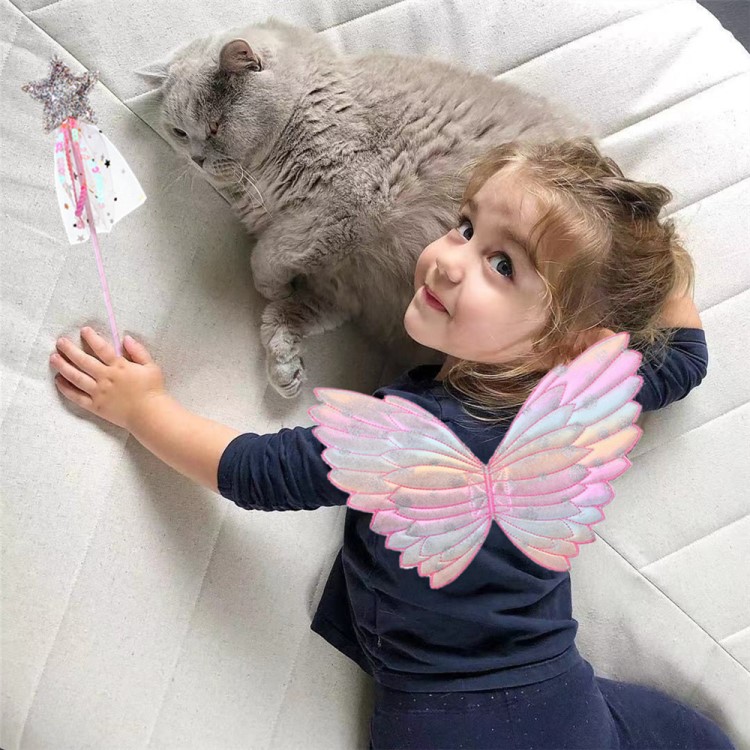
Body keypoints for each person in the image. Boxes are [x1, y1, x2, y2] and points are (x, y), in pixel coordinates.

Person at [48, 138, 734, 749]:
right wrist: (652, 250)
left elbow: (256, 471)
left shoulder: (407, 443)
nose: (450, 262)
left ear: (572, 348)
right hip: (560, 705)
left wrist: (143, 409)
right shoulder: (584, 405)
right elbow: (686, 358)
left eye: (502, 265)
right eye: (465, 227)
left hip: (445, 726)